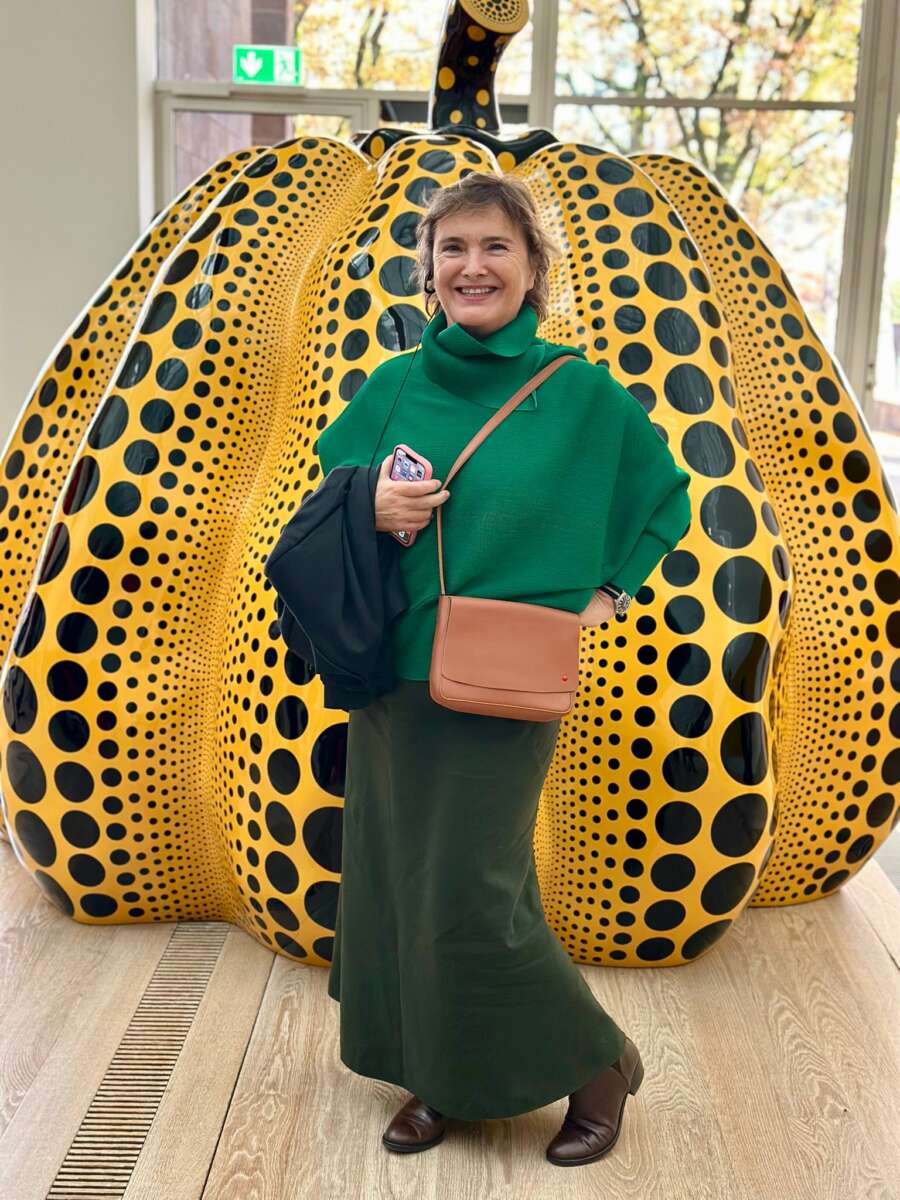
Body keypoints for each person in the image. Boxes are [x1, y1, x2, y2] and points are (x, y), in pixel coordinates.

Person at [317, 171, 692, 1167]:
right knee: (402, 881)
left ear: (533, 270)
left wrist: (605, 594)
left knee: (470, 891)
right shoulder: (393, 385)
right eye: (453, 248)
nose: (472, 266)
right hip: (390, 674)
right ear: (429, 269)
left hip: (504, 678)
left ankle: (596, 1062)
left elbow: (664, 497)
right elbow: (325, 501)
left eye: (495, 247)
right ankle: (441, 1073)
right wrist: (370, 507)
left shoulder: (577, 393)